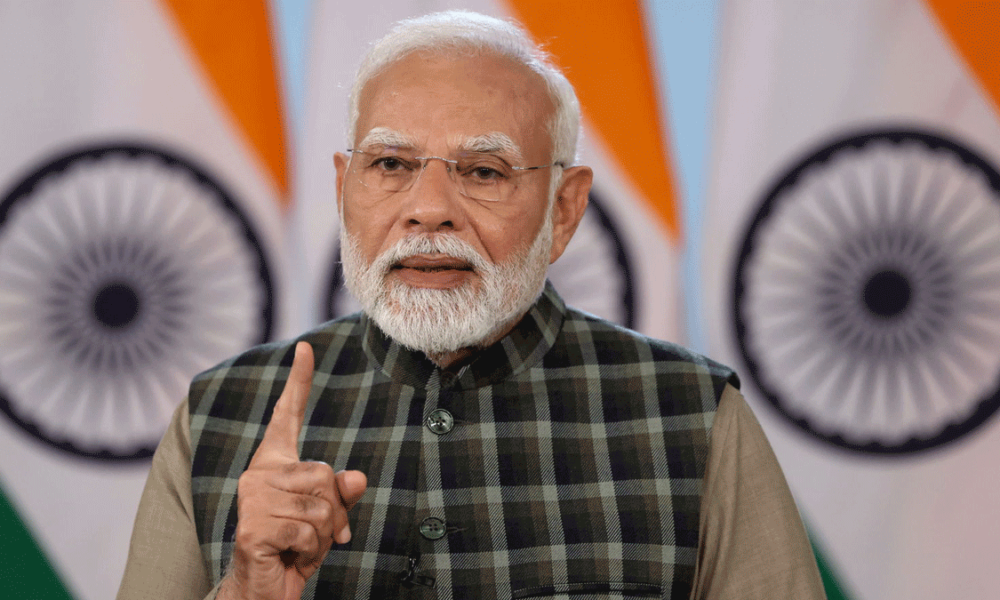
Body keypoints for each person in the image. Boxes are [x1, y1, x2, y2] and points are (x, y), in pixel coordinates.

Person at [118, 10, 825, 600]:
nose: (428, 209)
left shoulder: (694, 417)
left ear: (565, 209)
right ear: (344, 187)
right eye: (390, 164)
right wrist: (247, 587)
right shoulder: (217, 414)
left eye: (483, 171)